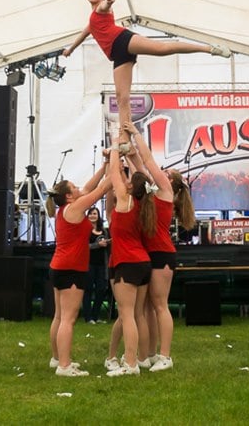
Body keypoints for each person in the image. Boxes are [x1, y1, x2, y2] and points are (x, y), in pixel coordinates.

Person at [63, 0, 231, 136]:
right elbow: (85, 33)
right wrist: (70, 49)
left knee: (161, 49)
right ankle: (124, 138)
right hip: (117, 54)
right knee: (122, 97)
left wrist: (109, 2)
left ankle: (209, 48)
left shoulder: (101, 8)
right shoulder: (92, 18)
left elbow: (105, 7)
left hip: (123, 40)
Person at [124, 121, 196, 372]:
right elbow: (140, 169)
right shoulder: (155, 192)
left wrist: (135, 134)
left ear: (173, 184)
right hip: (149, 254)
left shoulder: (165, 190)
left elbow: (147, 160)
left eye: (168, 172)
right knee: (147, 308)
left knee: (159, 305)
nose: (163, 172)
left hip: (162, 254)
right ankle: (151, 353)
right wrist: (128, 152)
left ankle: (166, 355)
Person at [44, 165, 110, 377]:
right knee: (68, 319)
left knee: (59, 316)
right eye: (74, 186)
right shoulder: (74, 209)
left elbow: (91, 186)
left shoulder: (66, 209)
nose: (79, 187)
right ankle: (64, 365)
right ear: (69, 196)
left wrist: (105, 165)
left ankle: (57, 359)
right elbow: (99, 191)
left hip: (59, 266)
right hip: (72, 268)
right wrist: (117, 165)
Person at [105, 133, 153, 377]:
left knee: (127, 316)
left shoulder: (126, 200)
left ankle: (131, 363)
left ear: (131, 186)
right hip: (142, 262)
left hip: (127, 262)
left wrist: (115, 147)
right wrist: (124, 155)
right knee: (136, 314)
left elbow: (114, 174)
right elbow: (121, 176)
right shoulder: (144, 203)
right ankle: (140, 358)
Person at [82, 207, 109, 325]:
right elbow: (83, 246)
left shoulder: (104, 230)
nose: (93, 216)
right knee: (88, 289)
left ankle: (96, 315)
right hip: (89, 263)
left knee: (101, 289)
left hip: (102, 264)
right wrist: (97, 245)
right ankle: (88, 317)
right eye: (91, 214)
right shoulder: (85, 230)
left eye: (95, 214)